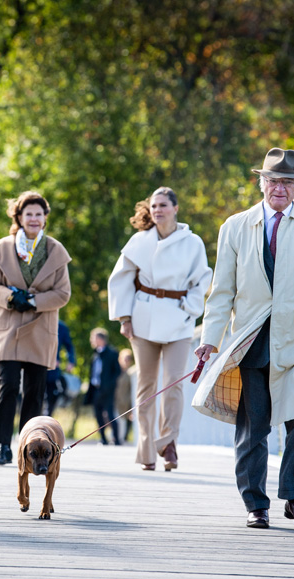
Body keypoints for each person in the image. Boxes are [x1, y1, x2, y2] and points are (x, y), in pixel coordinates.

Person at [194, 148, 294, 529]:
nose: (280, 188)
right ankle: (255, 504)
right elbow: (222, 291)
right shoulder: (234, 226)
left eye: (288, 181)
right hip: (251, 339)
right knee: (254, 427)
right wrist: (210, 338)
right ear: (260, 182)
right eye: (273, 181)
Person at [108, 186, 212, 471]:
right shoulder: (139, 242)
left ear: (175, 208)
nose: (157, 211)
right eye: (154, 206)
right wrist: (124, 318)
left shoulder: (193, 243)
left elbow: (202, 279)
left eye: (163, 205)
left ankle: (168, 442)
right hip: (143, 319)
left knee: (173, 384)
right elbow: (121, 279)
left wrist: (189, 308)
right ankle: (145, 450)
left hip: (179, 322)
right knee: (145, 385)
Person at [0, 190, 71, 465]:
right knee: (7, 386)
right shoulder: (3, 248)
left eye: (39, 214)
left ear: (45, 218)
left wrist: (32, 300)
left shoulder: (56, 251)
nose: (34, 218)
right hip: (8, 328)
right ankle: (2, 447)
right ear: (19, 217)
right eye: (28, 213)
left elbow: (63, 294)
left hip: (40, 330)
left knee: (34, 391)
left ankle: (29, 446)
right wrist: (11, 297)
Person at [85, 328, 122, 445]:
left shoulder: (112, 353)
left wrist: (109, 385)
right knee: (98, 414)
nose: (92, 341)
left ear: (100, 339)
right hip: (96, 389)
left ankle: (116, 439)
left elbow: (117, 371)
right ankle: (103, 439)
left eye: (94, 338)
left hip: (107, 390)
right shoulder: (95, 354)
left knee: (110, 414)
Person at [44, 320, 76, 416]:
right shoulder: (37, 320)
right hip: (35, 367)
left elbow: (69, 346)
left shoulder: (61, 327)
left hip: (52, 371)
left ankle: (46, 421)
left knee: (52, 396)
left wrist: (71, 361)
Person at [114, 348, 136, 443]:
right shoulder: (115, 372)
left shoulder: (132, 373)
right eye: (125, 358)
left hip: (127, 404)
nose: (126, 360)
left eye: (128, 358)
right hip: (116, 402)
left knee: (123, 424)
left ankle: (121, 440)